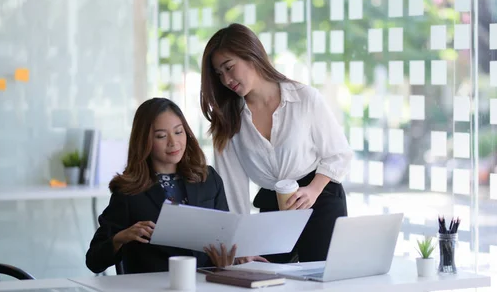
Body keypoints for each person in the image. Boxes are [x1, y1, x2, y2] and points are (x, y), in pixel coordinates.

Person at [200, 23, 353, 263]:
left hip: (320, 199)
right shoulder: (228, 121)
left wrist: (313, 190)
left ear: (251, 55)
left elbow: (338, 154)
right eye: (219, 74)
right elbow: (233, 189)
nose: (226, 79)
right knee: (266, 281)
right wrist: (241, 244)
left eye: (229, 67)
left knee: (325, 281)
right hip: (272, 209)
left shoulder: (304, 98)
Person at [86, 98, 255, 274]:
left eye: (178, 132)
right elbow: (93, 261)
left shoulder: (208, 178)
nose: (173, 143)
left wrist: (231, 258)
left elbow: (223, 236)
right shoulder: (129, 191)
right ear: (144, 141)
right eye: (161, 136)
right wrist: (120, 239)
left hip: (204, 284)